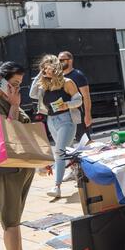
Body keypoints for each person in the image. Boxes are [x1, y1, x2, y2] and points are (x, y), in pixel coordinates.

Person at [0, 61, 46, 250]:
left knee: (15, 218)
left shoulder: (4, 97)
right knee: (10, 220)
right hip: (5, 167)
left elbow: (24, 125)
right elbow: (3, 136)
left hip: (17, 165)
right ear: (0, 80)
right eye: (14, 83)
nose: (17, 89)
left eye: (19, 84)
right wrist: (13, 105)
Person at [30, 55, 82, 198]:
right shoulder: (45, 85)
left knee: (59, 152)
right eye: (43, 68)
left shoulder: (67, 82)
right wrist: (40, 74)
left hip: (67, 120)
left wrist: (67, 104)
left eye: (46, 67)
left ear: (54, 67)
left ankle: (56, 187)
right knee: (67, 151)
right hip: (51, 121)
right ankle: (81, 173)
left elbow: (79, 100)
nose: (44, 71)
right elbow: (31, 94)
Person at [58, 51, 92, 142]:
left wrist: (87, 115)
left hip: (76, 113)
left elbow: (86, 96)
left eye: (61, 60)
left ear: (70, 61)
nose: (59, 62)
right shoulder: (59, 76)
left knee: (84, 142)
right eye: (58, 60)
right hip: (63, 115)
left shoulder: (78, 75)